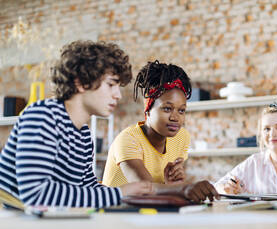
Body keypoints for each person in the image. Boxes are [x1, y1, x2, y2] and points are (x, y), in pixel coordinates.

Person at [0, 41, 218, 208]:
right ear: (81, 82)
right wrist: (122, 192)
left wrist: (141, 191)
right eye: (111, 85)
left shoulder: (83, 135)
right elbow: (35, 194)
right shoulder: (43, 116)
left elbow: (89, 190)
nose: (117, 95)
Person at [102, 60, 191, 187]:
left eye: (181, 110)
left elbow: (166, 189)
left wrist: (173, 184)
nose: (175, 117)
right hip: (116, 206)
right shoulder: (128, 139)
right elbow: (145, 189)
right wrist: (185, 189)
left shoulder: (181, 137)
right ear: (148, 110)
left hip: (152, 206)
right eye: (167, 108)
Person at [214, 103, 277, 195]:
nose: (273, 134)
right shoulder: (254, 162)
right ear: (261, 134)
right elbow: (218, 186)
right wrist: (228, 188)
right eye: (267, 129)